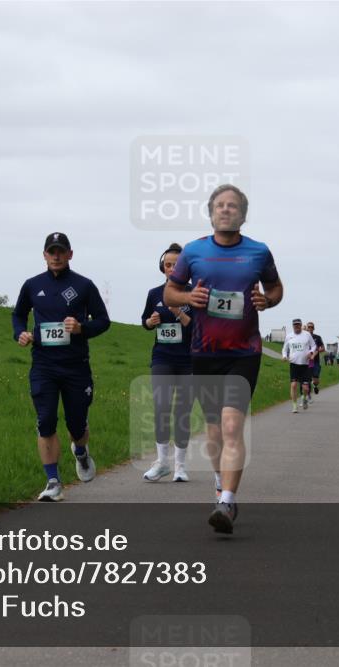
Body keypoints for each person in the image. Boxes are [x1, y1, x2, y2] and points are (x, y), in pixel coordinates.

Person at [164, 184, 283, 534]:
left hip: (244, 352)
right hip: (205, 353)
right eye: (220, 205)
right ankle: (220, 482)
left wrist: (267, 301)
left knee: (232, 426)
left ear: (243, 215)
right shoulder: (193, 251)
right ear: (211, 213)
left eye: (233, 206)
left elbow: (276, 288)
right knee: (215, 430)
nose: (226, 210)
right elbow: (170, 292)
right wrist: (189, 297)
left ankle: (228, 502)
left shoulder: (259, 252)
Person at [12, 232, 111, 502]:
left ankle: (80, 451)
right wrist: (20, 333)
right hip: (43, 364)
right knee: (45, 420)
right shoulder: (32, 285)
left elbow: (103, 321)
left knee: (76, 425)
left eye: (61, 251)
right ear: (44, 255)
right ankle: (53, 482)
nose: (56, 256)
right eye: (51, 251)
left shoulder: (84, 285)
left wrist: (81, 328)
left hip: (76, 366)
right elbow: (18, 314)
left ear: (70, 254)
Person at [141, 243, 194, 483]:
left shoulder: (193, 293)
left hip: (189, 360)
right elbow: (144, 321)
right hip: (162, 357)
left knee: (182, 411)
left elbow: (197, 327)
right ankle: (162, 462)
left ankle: (180, 466)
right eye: (168, 265)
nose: (171, 268)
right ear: (162, 267)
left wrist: (178, 312)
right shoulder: (154, 293)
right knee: (161, 407)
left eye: (176, 265)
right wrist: (150, 322)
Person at [283, 318, 316, 413]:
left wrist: (311, 352)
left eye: (298, 324)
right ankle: (294, 405)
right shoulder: (289, 336)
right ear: (293, 326)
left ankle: (304, 398)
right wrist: (284, 356)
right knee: (293, 385)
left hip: (305, 365)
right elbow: (284, 349)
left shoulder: (307, 334)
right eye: (295, 325)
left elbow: (314, 346)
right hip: (294, 364)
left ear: (301, 325)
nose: (296, 326)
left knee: (305, 388)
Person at [305, 322, 325, 396]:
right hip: (306, 361)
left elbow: (323, 348)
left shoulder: (317, 337)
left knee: (316, 379)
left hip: (315, 361)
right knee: (307, 378)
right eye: (309, 327)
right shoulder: (304, 337)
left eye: (311, 327)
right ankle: (308, 395)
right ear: (306, 328)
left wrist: (317, 350)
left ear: (313, 328)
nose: (310, 328)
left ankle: (315, 385)